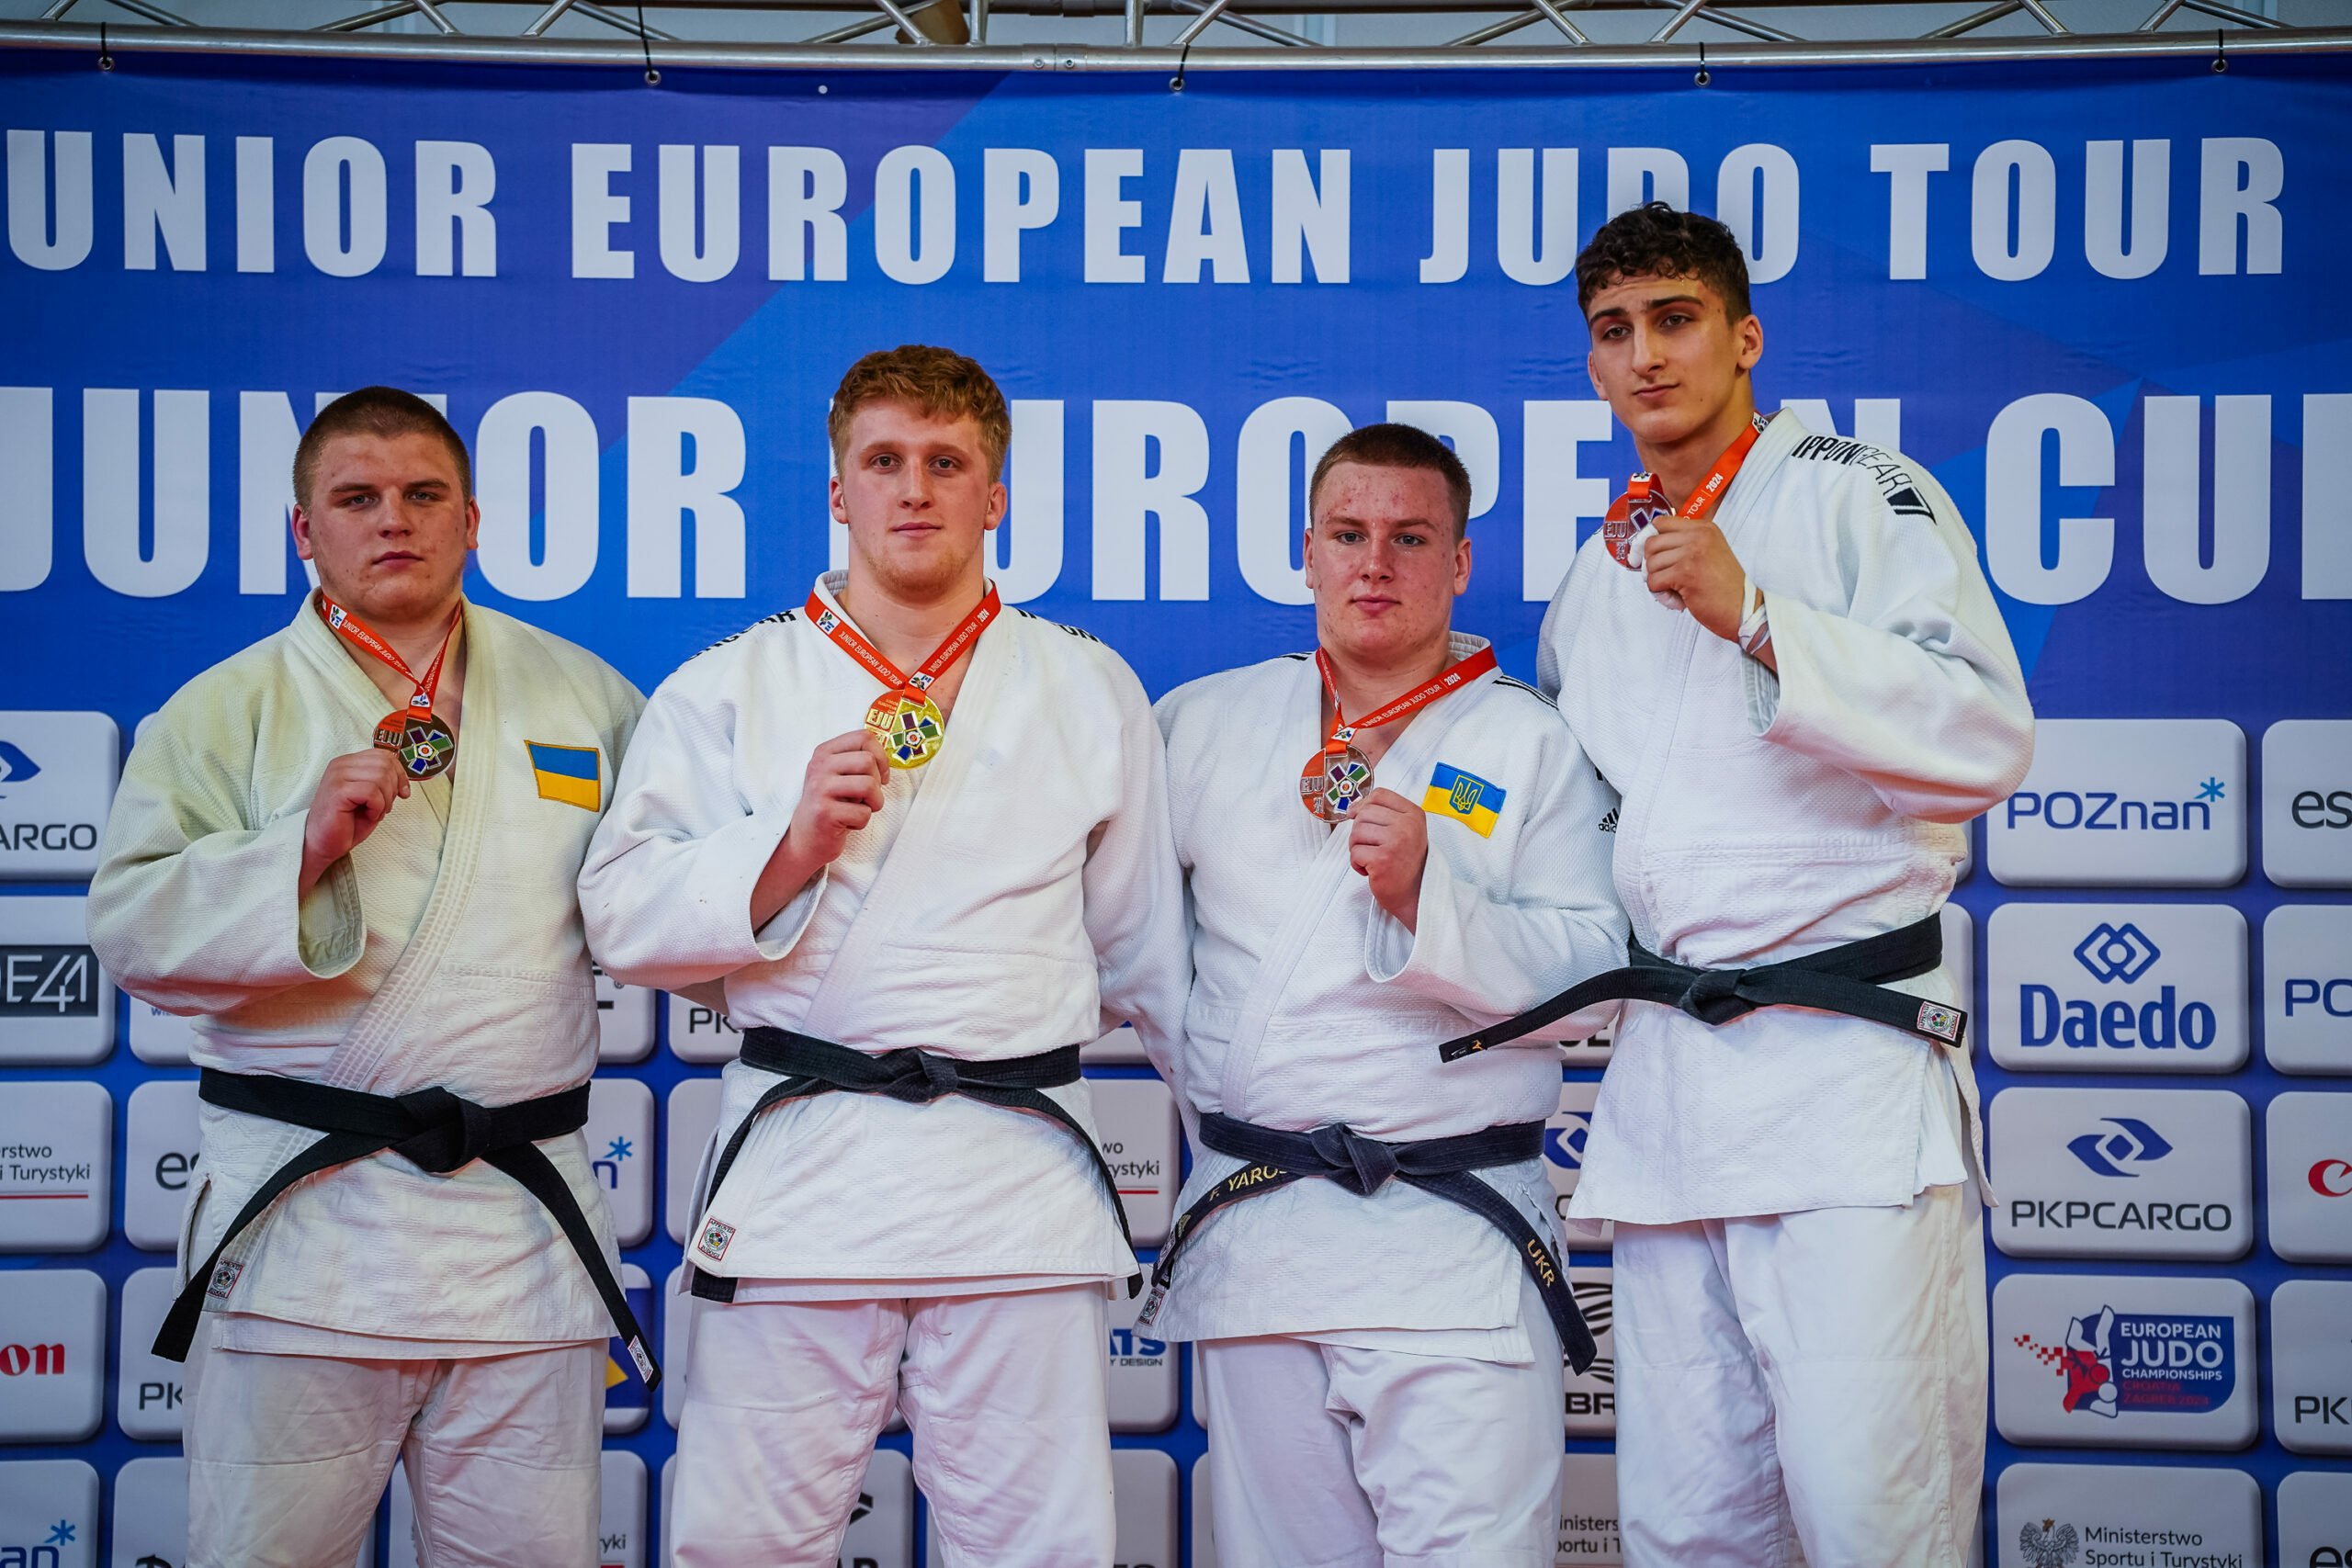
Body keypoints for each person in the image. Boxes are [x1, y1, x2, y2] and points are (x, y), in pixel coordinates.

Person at [577, 344, 1186, 1568]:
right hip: (805, 1177)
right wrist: (787, 846)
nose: (915, 489)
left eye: (947, 463)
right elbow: (622, 913)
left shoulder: (1087, 685)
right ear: (839, 490)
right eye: (886, 461)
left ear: (994, 495)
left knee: (1041, 1548)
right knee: (743, 1544)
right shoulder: (729, 686)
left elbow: (1139, 952)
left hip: (1014, 1181)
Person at [1532, 203, 2035, 1566]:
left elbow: (1984, 734)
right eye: (1614, 331)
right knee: (1686, 1528)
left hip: (1842, 1084)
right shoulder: (1596, 572)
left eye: (1675, 320)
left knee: (1872, 1515)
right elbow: (1575, 815)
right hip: (1669, 1096)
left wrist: (1760, 617)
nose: (1645, 355)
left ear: (1745, 337)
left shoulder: (1860, 493)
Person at [88, 387, 649, 1568]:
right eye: (356, 498)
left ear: (471, 521)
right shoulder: (225, 710)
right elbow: (132, 931)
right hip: (307, 1241)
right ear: (305, 529)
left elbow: (661, 894)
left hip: (517, 1237)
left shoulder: (585, 696)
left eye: (423, 494)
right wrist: (294, 851)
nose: (393, 518)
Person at [1147, 423, 1628, 1568]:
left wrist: (1428, 900)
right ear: (1305, 552)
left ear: (1457, 563)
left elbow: (1596, 979)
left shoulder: (1532, 742)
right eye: (1348, 534)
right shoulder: (1202, 723)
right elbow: (1140, 957)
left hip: (1450, 1245)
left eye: (1410, 538)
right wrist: (1226, 1093)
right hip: (1260, 1232)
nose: (1374, 563)